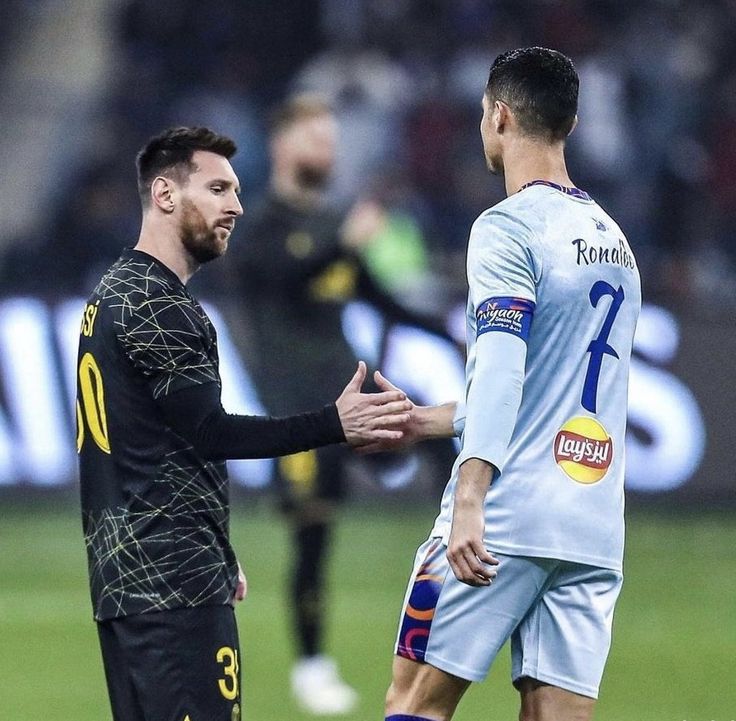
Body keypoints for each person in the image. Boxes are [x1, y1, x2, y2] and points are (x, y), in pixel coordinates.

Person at [76, 126, 411, 721]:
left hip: (130, 581)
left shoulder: (112, 294)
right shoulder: (163, 308)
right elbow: (214, 433)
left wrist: (215, 546)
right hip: (174, 591)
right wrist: (334, 422)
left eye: (235, 190)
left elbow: (153, 445)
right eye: (217, 188)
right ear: (165, 194)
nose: (235, 205)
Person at [366, 47, 641, 721]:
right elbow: (550, 388)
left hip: (507, 512)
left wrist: (469, 495)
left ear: (499, 116)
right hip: (591, 522)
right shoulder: (614, 241)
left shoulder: (506, 228)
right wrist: (428, 419)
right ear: (570, 125)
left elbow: (501, 367)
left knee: (414, 703)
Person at [228, 94, 453, 715]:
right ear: (283, 144)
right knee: (313, 537)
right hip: (299, 413)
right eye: (316, 137)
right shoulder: (260, 223)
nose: (327, 149)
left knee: (440, 433)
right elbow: (277, 280)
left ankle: (460, 570)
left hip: (352, 387)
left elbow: (379, 299)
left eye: (331, 139)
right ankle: (311, 666)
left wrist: (456, 330)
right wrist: (343, 246)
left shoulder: (334, 223)